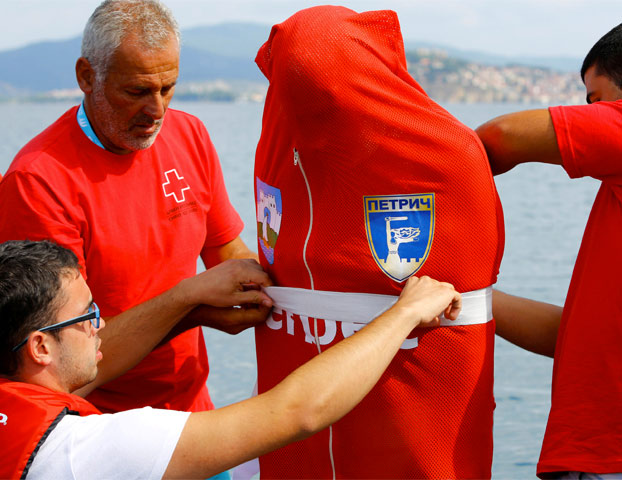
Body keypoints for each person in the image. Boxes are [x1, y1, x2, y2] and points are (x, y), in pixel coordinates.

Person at [251, 6, 504, 479]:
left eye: (325, 96)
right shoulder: (281, 156)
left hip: (417, 445)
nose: (310, 112)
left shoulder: (447, 161)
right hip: (294, 444)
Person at [0, 239, 462, 480]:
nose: (100, 326)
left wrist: (189, 308)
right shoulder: (90, 452)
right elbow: (297, 411)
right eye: (88, 316)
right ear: (40, 348)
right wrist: (404, 314)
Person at [0, 0, 262, 416]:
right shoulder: (38, 181)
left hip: (192, 411)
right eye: (137, 91)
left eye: (167, 88)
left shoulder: (190, 134)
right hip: (95, 424)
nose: (156, 111)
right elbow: (65, 363)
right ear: (87, 76)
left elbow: (228, 254)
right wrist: (190, 304)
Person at [475, 23, 622, 479]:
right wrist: (462, 295)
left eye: (597, 100)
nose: (594, 113)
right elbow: (583, 341)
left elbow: (500, 136)